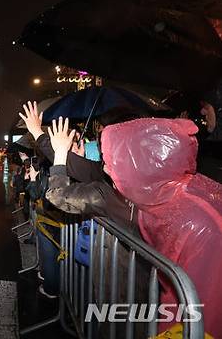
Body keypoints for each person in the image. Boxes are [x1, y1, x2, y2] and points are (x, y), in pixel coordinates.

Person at [45, 115, 222, 338]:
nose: (108, 170)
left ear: (141, 164)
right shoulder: (173, 188)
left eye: (116, 162)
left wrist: (61, 154)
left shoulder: (197, 222)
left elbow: (195, 313)